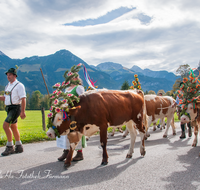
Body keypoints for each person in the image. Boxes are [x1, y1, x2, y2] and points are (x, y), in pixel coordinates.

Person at [57, 74, 86, 162]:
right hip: (66, 113)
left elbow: (84, 100)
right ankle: (66, 150)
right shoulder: (67, 89)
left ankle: (79, 153)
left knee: (75, 132)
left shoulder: (78, 88)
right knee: (66, 131)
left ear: (76, 78)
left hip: (75, 113)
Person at [0, 68, 26, 156]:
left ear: (15, 76)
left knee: (5, 125)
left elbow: (23, 98)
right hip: (9, 108)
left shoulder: (19, 85)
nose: (8, 76)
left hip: (15, 108)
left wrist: (22, 111)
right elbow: (5, 98)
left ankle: (10, 147)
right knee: (13, 126)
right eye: (7, 75)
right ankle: (19, 146)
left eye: (10, 75)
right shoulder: (8, 86)